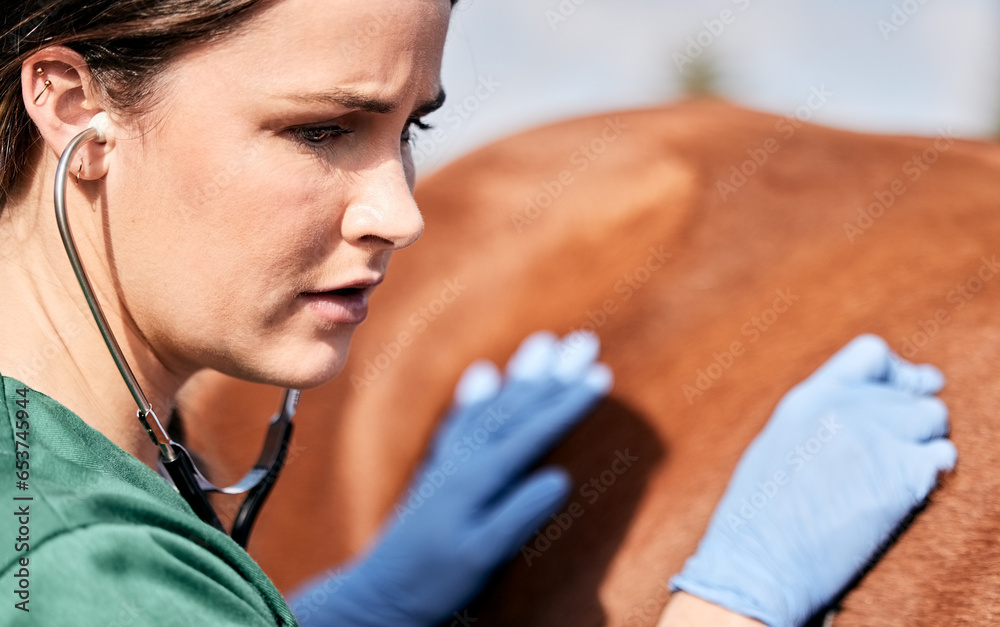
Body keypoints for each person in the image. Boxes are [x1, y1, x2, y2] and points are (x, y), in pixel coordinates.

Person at [0, 1, 956, 626]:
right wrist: (727, 608)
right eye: (321, 130)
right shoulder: (77, 563)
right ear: (70, 101)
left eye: (407, 128)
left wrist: (352, 609)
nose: (404, 214)